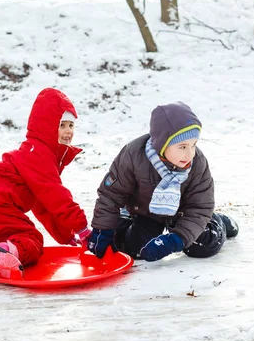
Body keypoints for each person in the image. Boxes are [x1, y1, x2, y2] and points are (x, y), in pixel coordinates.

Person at [0, 88, 91, 273]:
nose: (67, 132)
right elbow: (56, 196)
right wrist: (81, 228)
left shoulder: (33, 151)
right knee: (31, 239)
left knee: (10, 234)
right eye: (61, 125)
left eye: (71, 126)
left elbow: (43, 204)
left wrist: (66, 235)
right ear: (46, 126)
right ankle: (7, 253)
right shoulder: (40, 154)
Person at [87, 101, 239, 262]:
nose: (190, 154)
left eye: (193, 145)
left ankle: (219, 222)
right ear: (161, 143)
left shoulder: (197, 163)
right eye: (182, 147)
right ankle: (125, 220)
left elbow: (200, 206)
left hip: (185, 212)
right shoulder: (133, 155)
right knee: (135, 249)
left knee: (203, 245)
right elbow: (111, 195)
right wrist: (102, 230)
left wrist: (176, 240)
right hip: (146, 211)